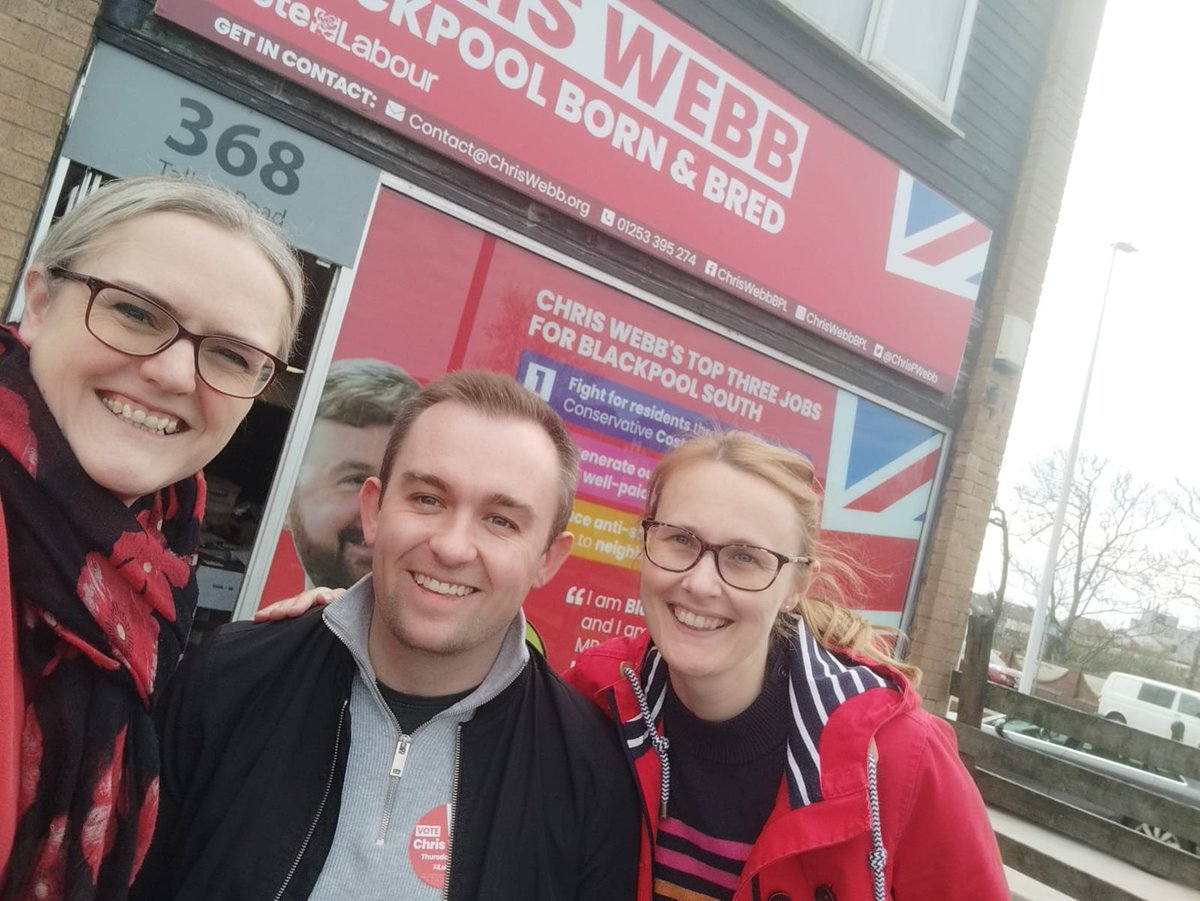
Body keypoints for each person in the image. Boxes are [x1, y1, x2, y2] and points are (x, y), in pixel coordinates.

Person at [133, 370, 640, 901]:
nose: (451, 546)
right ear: (374, 510)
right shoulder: (228, 682)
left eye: (501, 521)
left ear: (547, 560)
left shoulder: (589, 775)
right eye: (427, 499)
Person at [0, 175, 305, 900]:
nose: (172, 372)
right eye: (136, 312)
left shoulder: (159, 568)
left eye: (232, 356)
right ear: (39, 301)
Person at [566, 430, 1009, 900]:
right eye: (680, 539)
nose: (699, 582)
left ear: (796, 587)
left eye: (744, 557)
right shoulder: (592, 701)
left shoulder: (901, 759)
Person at [283, 358, 418, 590]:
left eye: (405, 485)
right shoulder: (258, 628)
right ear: (285, 501)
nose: (381, 512)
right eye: (355, 480)